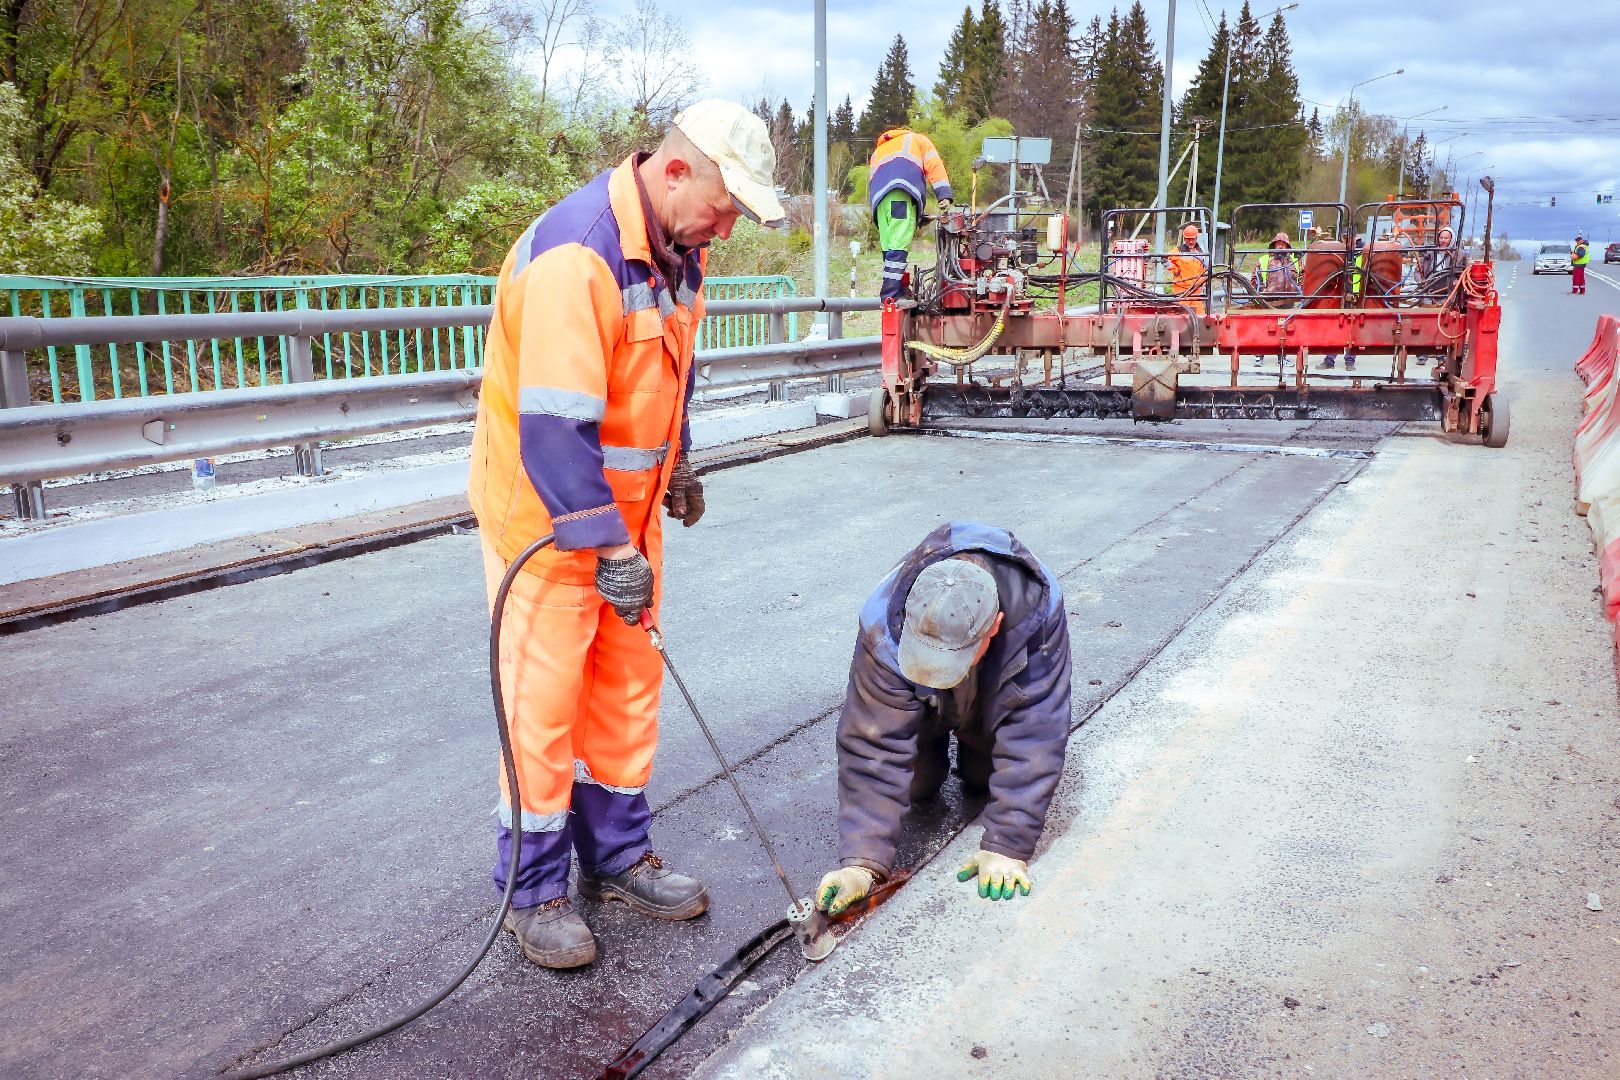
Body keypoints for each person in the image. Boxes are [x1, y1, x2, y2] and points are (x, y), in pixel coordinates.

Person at [467, 99, 785, 969]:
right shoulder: (581, 256)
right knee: (543, 709)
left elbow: (666, 378)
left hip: (627, 523)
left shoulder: (681, 254)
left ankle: (613, 857)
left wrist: (677, 462)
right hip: (548, 525)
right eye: (727, 205)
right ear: (676, 171)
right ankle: (532, 891)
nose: (729, 226)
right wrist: (608, 550)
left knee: (627, 691)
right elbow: (553, 427)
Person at [814, 522, 1073, 914]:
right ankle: (933, 746)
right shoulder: (884, 622)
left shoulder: (1037, 620)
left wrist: (1007, 845)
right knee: (917, 787)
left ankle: (972, 743)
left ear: (995, 626)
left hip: (992, 695)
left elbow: (1037, 733)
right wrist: (861, 864)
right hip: (919, 704)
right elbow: (873, 742)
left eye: (947, 662)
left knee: (984, 779)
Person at [867, 127, 953, 300]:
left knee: (889, 245)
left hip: (879, 202)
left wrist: (918, 215)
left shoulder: (879, 150)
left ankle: (898, 289)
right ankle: (890, 295)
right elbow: (934, 166)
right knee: (899, 243)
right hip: (901, 193)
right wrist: (944, 194)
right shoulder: (916, 139)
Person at [1167, 223, 1208, 313]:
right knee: (1183, 318)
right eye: (1188, 239)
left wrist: (1204, 282)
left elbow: (1203, 269)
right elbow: (1165, 260)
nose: (1190, 242)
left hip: (1195, 291)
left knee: (1199, 317)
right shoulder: (1178, 251)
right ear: (1184, 238)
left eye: (1192, 239)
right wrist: (1175, 271)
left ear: (1196, 238)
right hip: (1182, 291)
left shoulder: (1201, 253)